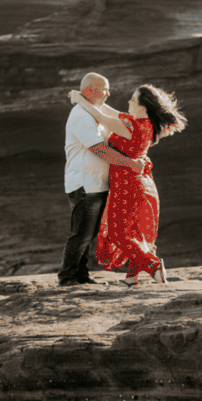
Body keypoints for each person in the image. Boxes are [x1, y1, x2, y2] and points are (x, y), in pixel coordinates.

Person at [67, 81, 187, 285]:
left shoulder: (130, 126)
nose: (128, 102)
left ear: (142, 107)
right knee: (135, 231)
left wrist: (79, 100)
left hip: (127, 184)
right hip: (140, 182)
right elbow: (111, 112)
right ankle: (131, 278)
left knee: (119, 233)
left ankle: (152, 265)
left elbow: (101, 117)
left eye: (132, 99)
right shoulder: (143, 124)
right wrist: (87, 98)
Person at [57, 72, 149, 287]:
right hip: (84, 186)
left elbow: (118, 119)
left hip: (96, 184)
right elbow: (100, 150)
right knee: (81, 234)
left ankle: (81, 276)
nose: (109, 93)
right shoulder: (80, 115)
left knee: (88, 235)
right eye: (105, 89)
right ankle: (68, 277)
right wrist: (131, 164)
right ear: (91, 91)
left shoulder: (91, 112)